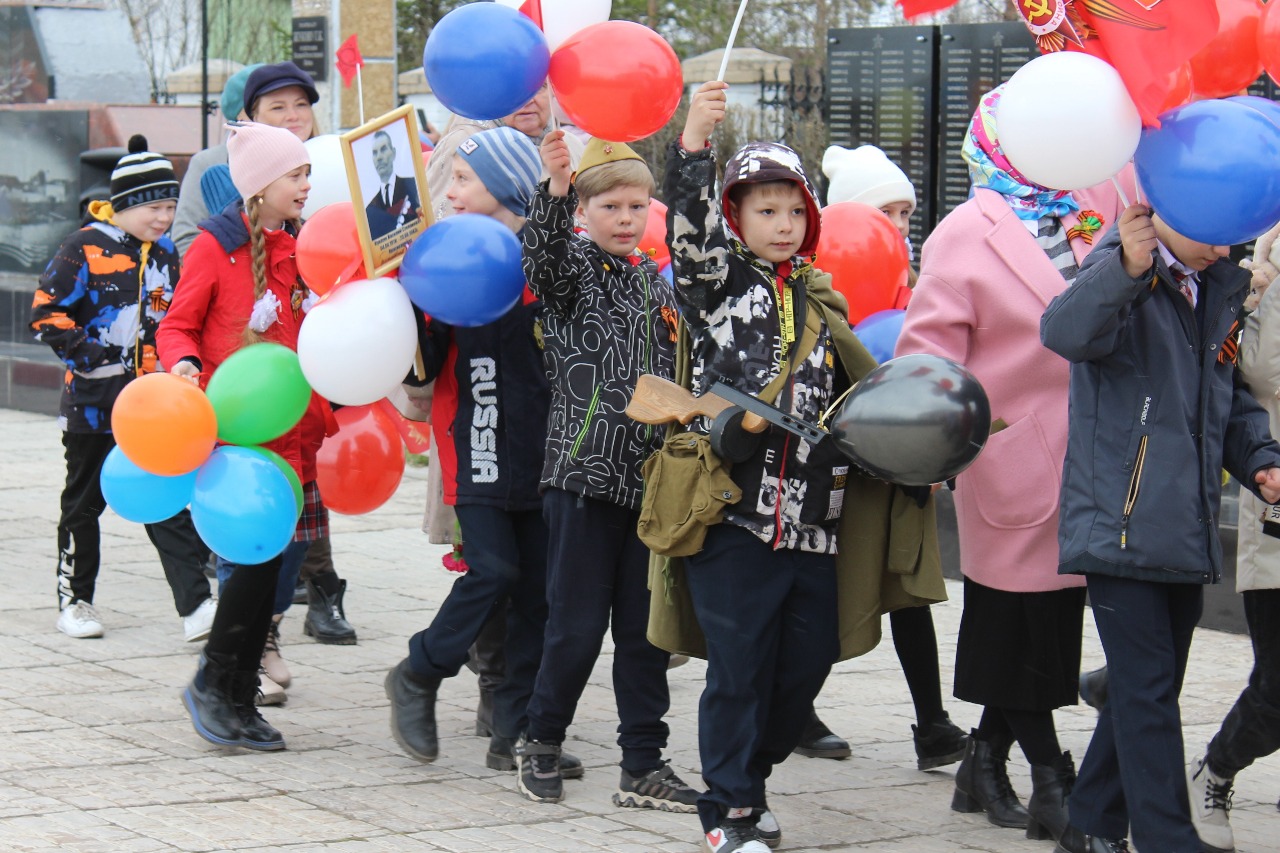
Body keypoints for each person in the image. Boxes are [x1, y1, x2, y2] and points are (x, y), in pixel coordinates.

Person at [662, 80, 942, 853]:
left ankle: (747, 777)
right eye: (765, 210)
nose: (783, 225)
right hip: (736, 514)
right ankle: (729, 811)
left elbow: (855, 400)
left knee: (808, 663)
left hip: (817, 520)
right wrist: (693, 145)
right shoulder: (715, 286)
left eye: (794, 211)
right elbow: (687, 230)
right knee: (739, 667)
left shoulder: (821, 299)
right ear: (736, 218)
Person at [895, 86, 1125, 847]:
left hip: (1095, 455)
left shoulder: (1100, 202)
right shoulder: (966, 231)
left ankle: (982, 761)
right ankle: (1052, 775)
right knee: (1016, 618)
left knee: (1048, 622)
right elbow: (927, 357)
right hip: (1013, 457)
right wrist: (929, 447)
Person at [1041, 198, 1280, 851]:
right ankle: (1168, 837)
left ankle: (1089, 823)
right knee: (1148, 692)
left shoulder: (1216, 290)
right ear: (1173, 205)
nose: (1230, 250)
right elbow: (1062, 331)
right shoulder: (1124, 272)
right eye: (1218, 232)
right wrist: (1126, 264)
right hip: (1121, 521)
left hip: (1185, 523)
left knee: (1148, 686)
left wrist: (1261, 461)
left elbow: (1227, 403)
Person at [385, 125, 582, 780]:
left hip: (545, 447)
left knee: (538, 594)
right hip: (480, 438)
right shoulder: (447, 255)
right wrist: (408, 314)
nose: (452, 191)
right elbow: (426, 361)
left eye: (464, 179)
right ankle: (418, 670)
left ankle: (516, 728)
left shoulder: (547, 256)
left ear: (503, 187)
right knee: (493, 571)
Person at [512, 133, 696, 810]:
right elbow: (544, 256)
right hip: (583, 476)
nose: (626, 217)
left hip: (649, 485)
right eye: (611, 204)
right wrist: (554, 190)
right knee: (577, 625)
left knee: (646, 632)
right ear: (585, 212)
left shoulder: (655, 283)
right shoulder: (573, 273)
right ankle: (539, 739)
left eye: (637, 204)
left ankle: (642, 762)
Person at [159, 120, 331, 748]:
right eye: (296, 174)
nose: (306, 185)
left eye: (308, 172)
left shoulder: (299, 248)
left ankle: (238, 692)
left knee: (275, 573)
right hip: (238, 437)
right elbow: (178, 325)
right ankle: (213, 683)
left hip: (290, 436)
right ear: (259, 187)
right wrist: (184, 365)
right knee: (250, 567)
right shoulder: (213, 247)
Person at [806, 142, 966, 768]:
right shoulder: (812, 292)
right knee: (826, 594)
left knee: (910, 591)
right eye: (886, 213)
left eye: (905, 213)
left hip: (900, 466)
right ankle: (791, 707)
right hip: (837, 465)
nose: (898, 227)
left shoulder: (916, 290)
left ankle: (932, 726)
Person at [30, 135, 217, 643]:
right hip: (93, 408)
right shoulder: (83, 247)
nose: (164, 217)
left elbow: (177, 317)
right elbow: (46, 313)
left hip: (153, 410)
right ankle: (75, 601)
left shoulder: (166, 254)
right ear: (126, 204)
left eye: (171, 206)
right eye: (155, 206)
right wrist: (96, 363)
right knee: (83, 505)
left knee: (165, 501)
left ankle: (197, 606)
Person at [1184, 221, 1280, 853]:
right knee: (1278, 679)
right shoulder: (1264, 274)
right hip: (1275, 494)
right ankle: (1214, 771)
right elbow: (1262, 371)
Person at [172, 63, 264, 256]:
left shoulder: (321, 156)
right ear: (241, 115)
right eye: (276, 105)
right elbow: (185, 239)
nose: (292, 115)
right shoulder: (210, 162)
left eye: (300, 104)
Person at [823, 143, 919, 287]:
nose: (899, 224)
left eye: (904, 212)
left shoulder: (910, 280)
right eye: (885, 212)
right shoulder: (824, 281)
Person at [365, 129, 421, 240]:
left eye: (383, 149)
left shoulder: (413, 185)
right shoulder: (370, 209)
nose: (379, 157)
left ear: (394, 153)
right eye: (375, 153)